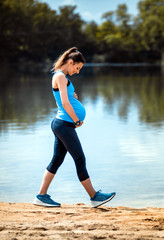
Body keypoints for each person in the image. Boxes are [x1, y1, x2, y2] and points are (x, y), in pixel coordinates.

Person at [33, 47, 115, 208]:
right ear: (70, 62)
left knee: (57, 160)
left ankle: (41, 196)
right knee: (80, 158)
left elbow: (63, 99)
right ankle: (94, 196)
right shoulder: (61, 77)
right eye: (77, 68)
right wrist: (77, 120)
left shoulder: (59, 76)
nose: (77, 72)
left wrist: (73, 96)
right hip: (64, 125)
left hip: (61, 124)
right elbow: (64, 103)